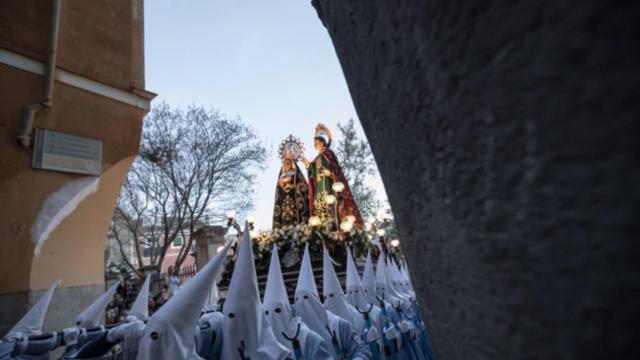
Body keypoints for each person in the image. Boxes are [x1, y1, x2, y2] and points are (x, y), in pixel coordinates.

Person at [294, 244, 372, 359]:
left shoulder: (338, 325)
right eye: (297, 300)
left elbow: (361, 350)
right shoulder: (292, 332)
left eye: (308, 298)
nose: (303, 304)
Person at [263, 244, 332, 359]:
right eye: (267, 312)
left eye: (278, 310)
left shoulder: (309, 338)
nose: (273, 316)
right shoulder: (263, 344)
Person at [302, 124, 364, 227]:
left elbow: (335, 166)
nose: (316, 145)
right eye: (315, 144)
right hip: (319, 186)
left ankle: (335, 221)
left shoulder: (328, 153)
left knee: (331, 203)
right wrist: (308, 164)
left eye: (317, 143)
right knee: (319, 205)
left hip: (329, 183)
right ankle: (323, 224)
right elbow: (312, 172)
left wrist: (330, 172)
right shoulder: (317, 158)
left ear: (322, 143)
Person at [273, 156, 310, 229]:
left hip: (293, 198)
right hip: (284, 199)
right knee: (284, 215)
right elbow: (279, 190)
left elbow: (302, 186)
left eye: (288, 163)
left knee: (294, 214)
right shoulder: (281, 176)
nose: (287, 165)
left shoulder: (295, 174)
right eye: (285, 163)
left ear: (292, 164)